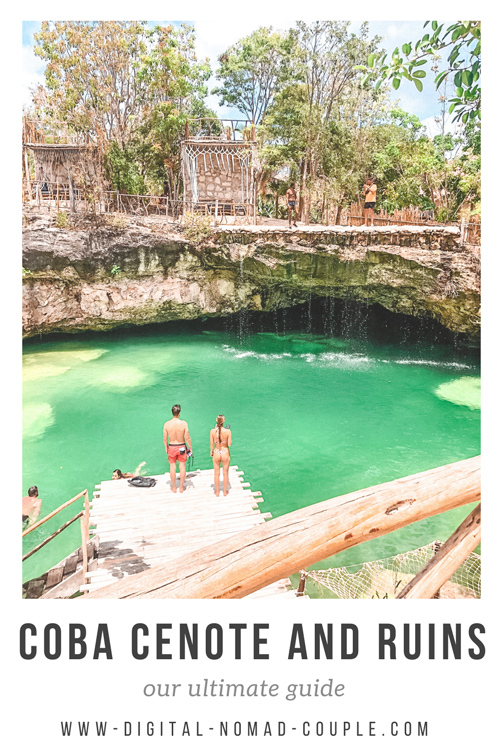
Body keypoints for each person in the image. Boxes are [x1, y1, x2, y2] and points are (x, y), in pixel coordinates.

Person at [163, 404, 193, 493]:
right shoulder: (183, 423)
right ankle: (181, 487)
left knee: (172, 467)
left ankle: (173, 487)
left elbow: (165, 438)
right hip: (181, 446)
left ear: (172, 413)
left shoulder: (167, 424)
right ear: (179, 413)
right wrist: (190, 447)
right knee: (182, 466)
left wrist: (166, 447)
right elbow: (187, 437)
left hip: (172, 446)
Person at [210, 415, 232, 497]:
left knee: (216, 473)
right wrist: (228, 432)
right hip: (225, 452)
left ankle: (217, 492)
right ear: (223, 422)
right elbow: (229, 444)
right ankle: (225, 492)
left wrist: (211, 451)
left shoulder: (212, 431)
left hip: (216, 452)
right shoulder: (227, 431)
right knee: (225, 473)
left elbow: (211, 443)